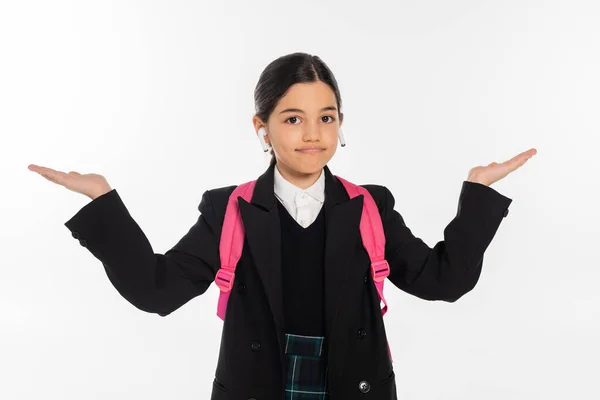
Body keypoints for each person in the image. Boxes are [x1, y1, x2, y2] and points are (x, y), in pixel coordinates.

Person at [28, 52, 536, 400]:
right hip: (256, 385)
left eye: (327, 117)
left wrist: (479, 196)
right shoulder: (228, 207)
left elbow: (443, 282)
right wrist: (102, 202)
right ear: (262, 128)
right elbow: (157, 290)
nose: (313, 134)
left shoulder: (369, 206)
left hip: (356, 386)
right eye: (293, 119)